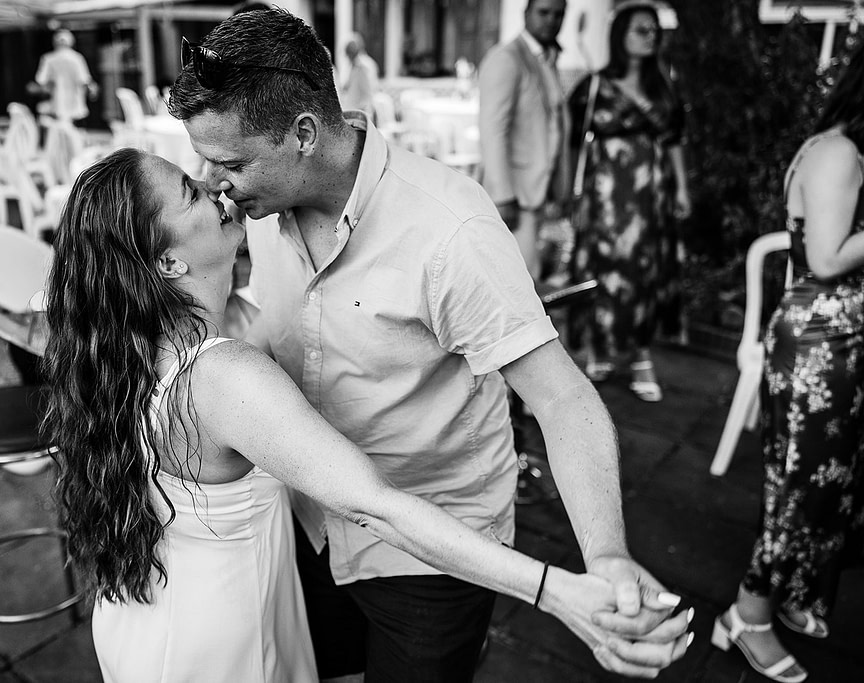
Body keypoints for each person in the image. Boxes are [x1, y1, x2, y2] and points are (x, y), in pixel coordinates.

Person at [168, 8, 690, 682]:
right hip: (310, 522)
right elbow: (271, 317)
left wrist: (606, 555)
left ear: (303, 134)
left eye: (230, 163)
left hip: (434, 556)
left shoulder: (450, 229)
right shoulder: (260, 206)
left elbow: (562, 397)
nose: (213, 182)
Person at [44, 148, 691, 682]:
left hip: (148, 617)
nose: (215, 185)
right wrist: (558, 591)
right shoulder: (225, 375)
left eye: (222, 164)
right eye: (191, 190)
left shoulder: (121, 348)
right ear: (167, 262)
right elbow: (375, 504)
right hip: (220, 643)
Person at [710, 42, 864, 683]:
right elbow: (826, 258)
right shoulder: (837, 153)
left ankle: (792, 589)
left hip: (842, 341)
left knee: (834, 485)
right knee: (801, 489)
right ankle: (746, 615)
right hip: (821, 346)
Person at [565, 1, 691, 403]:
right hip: (604, 198)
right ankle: (599, 348)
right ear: (621, 35)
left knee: (644, 273)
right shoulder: (594, 87)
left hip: (650, 197)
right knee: (600, 272)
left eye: (654, 30)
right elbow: (574, 145)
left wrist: (682, 188)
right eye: (641, 29)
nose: (650, 36)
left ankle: (641, 356)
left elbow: (674, 139)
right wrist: (573, 196)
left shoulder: (664, 85)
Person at [478, 0, 571, 283]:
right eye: (544, 12)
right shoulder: (507, 58)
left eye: (558, 15)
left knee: (529, 276)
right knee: (517, 281)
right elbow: (493, 129)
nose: (551, 21)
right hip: (514, 195)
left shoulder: (546, 58)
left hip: (537, 191)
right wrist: (502, 195)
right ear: (526, 13)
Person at [33, 29, 97, 124]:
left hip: (56, 102)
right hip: (74, 103)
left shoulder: (48, 58)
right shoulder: (77, 58)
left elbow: (40, 80)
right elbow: (85, 80)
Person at [339, 32, 379, 119]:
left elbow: (370, 90)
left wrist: (364, 108)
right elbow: (345, 87)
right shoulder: (348, 65)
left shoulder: (365, 66)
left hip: (362, 111)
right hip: (351, 109)